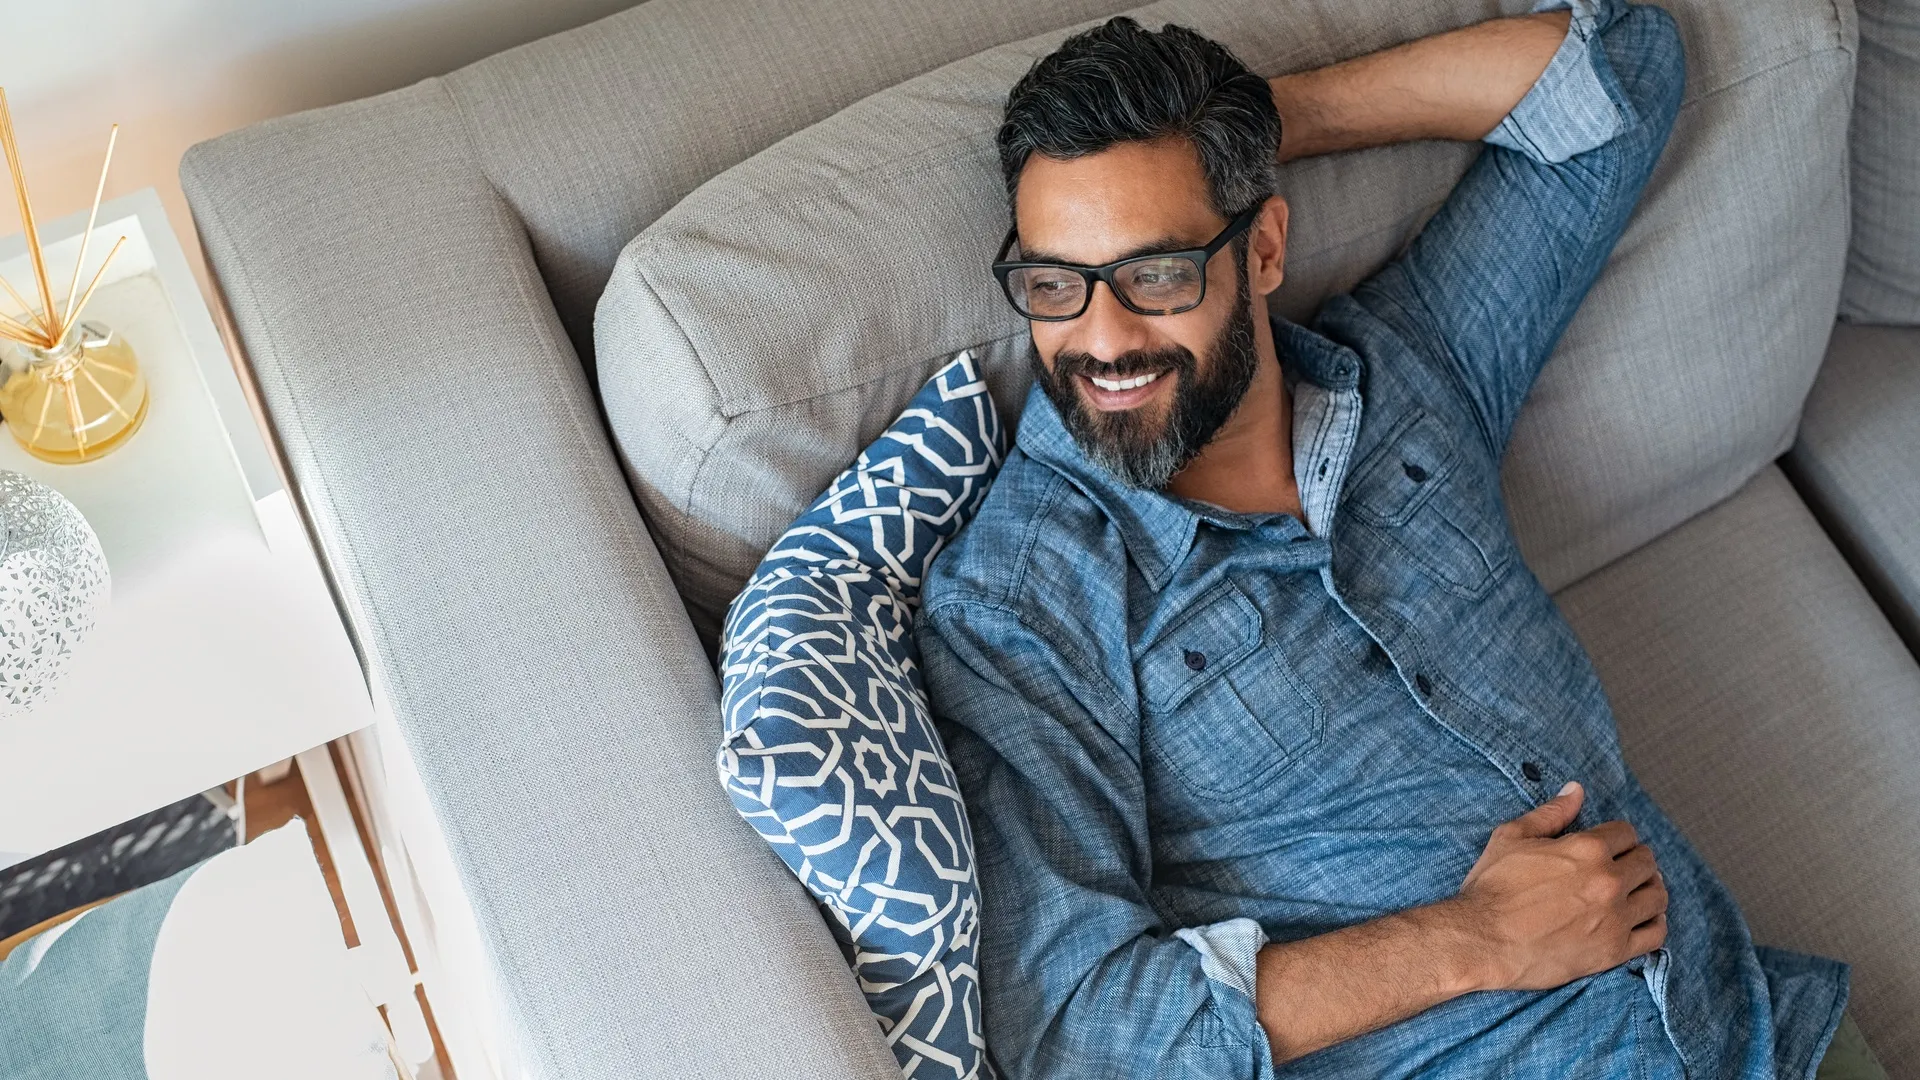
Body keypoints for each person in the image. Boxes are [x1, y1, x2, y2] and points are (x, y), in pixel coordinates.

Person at [916, 1, 1886, 1076]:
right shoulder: (1020, 601)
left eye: (1158, 273)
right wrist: (1475, 941)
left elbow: (1620, 73)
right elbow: (1076, 1031)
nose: (1101, 342)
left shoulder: (1414, 371)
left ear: (1266, 244)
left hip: (1756, 1029)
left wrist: (1256, 122)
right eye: (1055, 285)